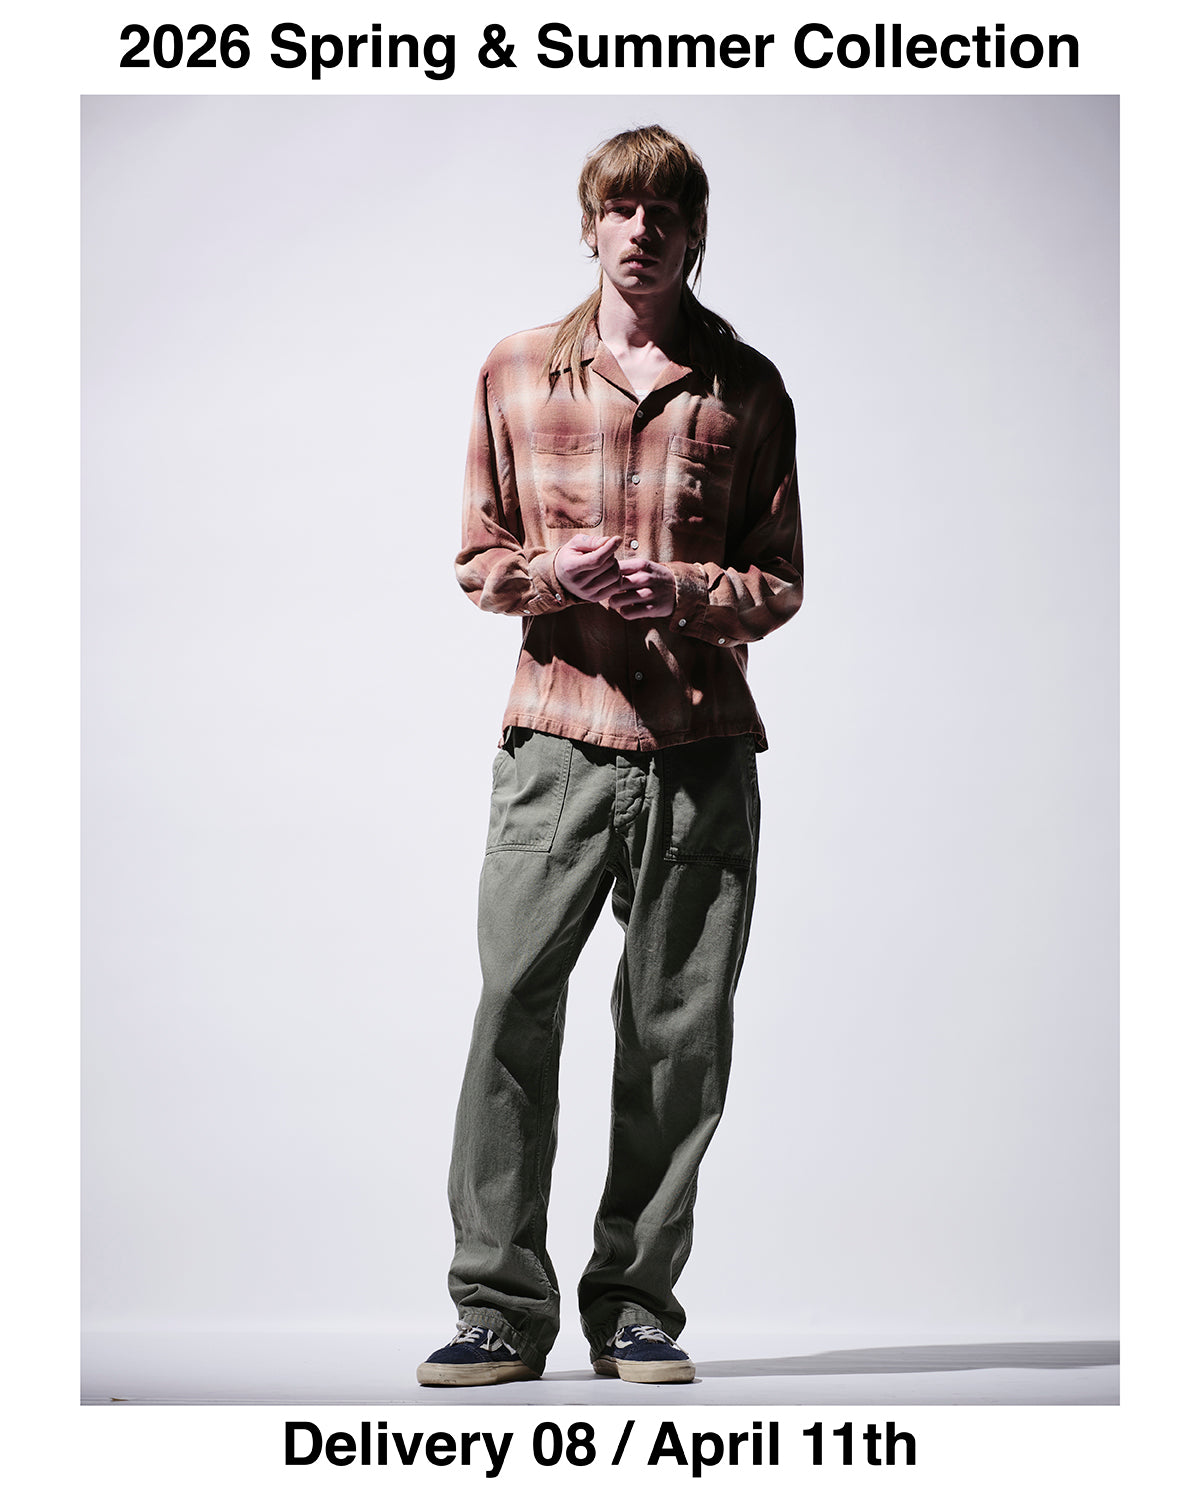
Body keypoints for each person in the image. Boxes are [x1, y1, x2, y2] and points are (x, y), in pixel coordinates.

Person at [417, 124, 804, 1388]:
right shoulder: (516, 369)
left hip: (699, 752)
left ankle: (636, 1305)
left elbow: (779, 582)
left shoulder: (748, 389)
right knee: (511, 1013)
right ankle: (496, 1308)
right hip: (556, 744)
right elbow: (479, 558)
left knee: (677, 1032)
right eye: (620, 208)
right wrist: (551, 573)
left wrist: (682, 591)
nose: (642, 230)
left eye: (665, 211)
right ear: (589, 226)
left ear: (695, 233)